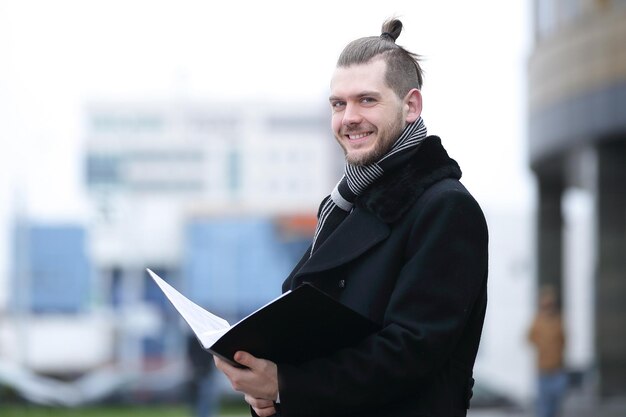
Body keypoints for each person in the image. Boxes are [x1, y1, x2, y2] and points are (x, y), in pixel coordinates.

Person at [214, 18, 489, 417]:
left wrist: (286, 384)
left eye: (367, 100)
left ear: (411, 105)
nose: (348, 118)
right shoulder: (342, 206)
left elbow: (411, 351)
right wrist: (266, 387)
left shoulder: (445, 207)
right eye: (338, 104)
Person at [527, 285, 567, 417]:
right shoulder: (537, 321)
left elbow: (564, 341)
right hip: (543, 372)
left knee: (556, 409)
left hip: (557, 371)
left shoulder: (558, 321)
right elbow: (529, 338)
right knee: (544, 410)